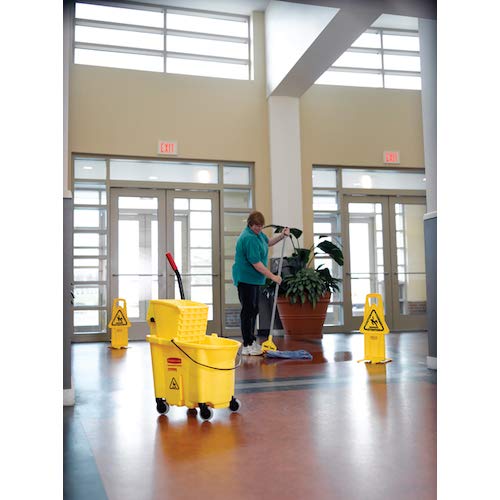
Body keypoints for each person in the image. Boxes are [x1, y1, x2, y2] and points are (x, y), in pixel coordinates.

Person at [232, 211, 290, 355]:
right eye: (256, 226)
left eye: (260, 226)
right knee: (248, 311)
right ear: (250, 224)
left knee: (254, 310)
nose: (258, 228)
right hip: (245, 279)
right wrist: (273, 277)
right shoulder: (249, 238)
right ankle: (247, 345)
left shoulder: (258, 235)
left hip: (254, 279)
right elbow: (256, 263)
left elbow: (268, 242)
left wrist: (282, 236)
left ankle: (252, 341)